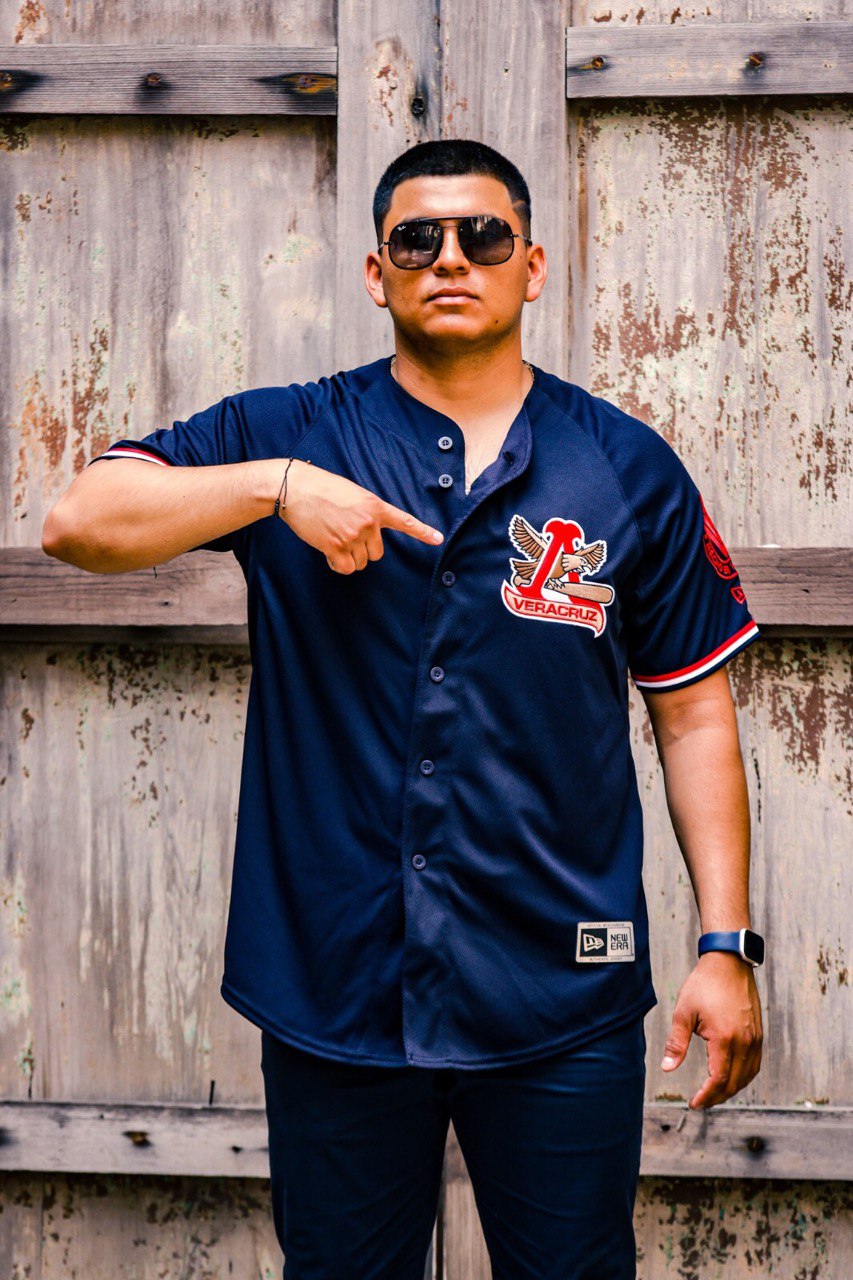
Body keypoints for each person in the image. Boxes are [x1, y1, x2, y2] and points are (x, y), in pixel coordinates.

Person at [42, 138, 764, 1280]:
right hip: (335, 981)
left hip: (560, 982)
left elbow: (696, 718)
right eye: (416, 239)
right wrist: (275, 488)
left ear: (532, 265)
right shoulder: (295, 432)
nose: (451, 258)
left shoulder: (625, 467)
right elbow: (77, 521)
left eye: (483, 235)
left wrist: (725, 944)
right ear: (377, 275)